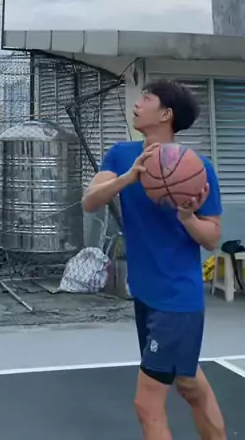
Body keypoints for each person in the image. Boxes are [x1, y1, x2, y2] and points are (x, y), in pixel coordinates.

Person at [82, 78, 226, 440]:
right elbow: (90, 201)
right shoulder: (121, 155)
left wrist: (188, 218)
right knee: (189, 384)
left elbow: (212, 238)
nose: (137, 103)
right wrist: (129, 178)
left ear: (166, 114)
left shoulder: (197, 168)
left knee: (147, 405)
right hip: (146, 295)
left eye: (146, 98)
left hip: (177, 300)